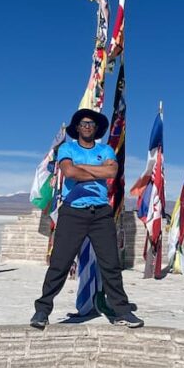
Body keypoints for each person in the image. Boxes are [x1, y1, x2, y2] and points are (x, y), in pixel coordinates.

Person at [30, 108, 143, 329]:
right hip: (73, 212)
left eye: (91, 123)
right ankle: (42, 310)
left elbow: (111, 173)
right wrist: (95, 170)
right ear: (77, 128)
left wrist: (82, 167)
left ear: (96, 128)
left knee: (110, 264)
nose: (88, 126)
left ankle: (121, 310)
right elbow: (69, 173)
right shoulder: (67, 148)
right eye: (83, 123)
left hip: (101, 212)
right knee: (59, 264)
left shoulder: (106, 149)